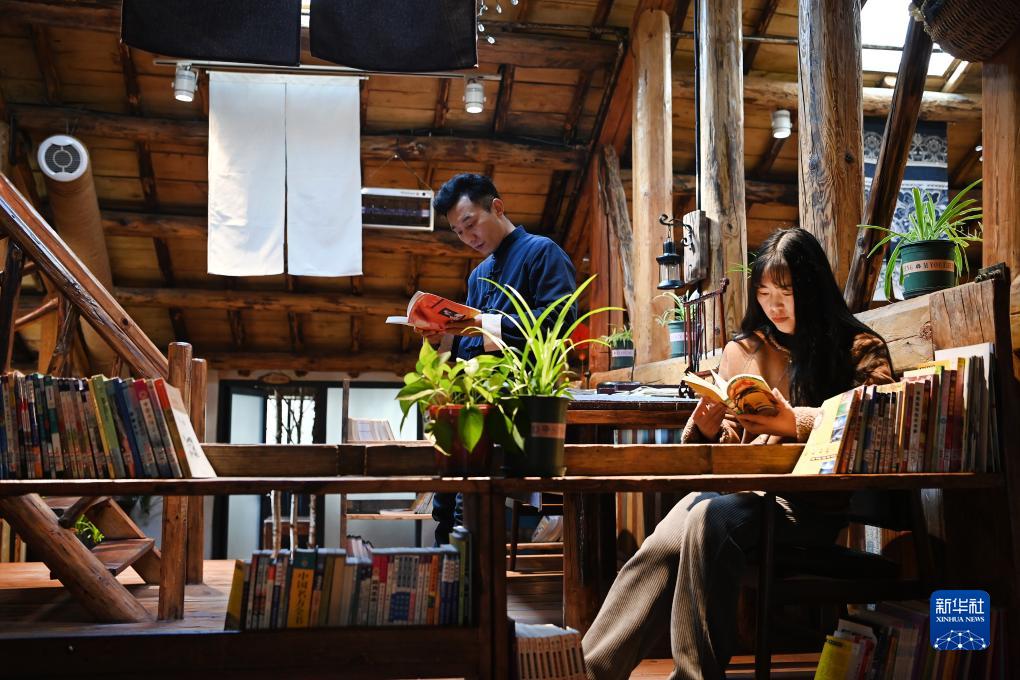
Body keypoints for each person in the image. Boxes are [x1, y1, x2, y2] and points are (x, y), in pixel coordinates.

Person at [582, 228, 895, 680]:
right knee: (669, 533)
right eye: (764, 293)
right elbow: (728, 443)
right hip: (744, 492)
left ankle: (694, 677)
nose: (774, 306)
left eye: (786, 292)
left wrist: (793, 422)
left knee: (709, 518)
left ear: (813, 287)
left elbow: (876, 420)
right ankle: (590, 671)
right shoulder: (746, 349)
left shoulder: (858, 348)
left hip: (809, 505)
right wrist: (707, 430)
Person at [426, 173, 577, 545]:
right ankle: (450, 573)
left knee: (465, 510)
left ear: (497, 207)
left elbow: (559, 322)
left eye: (470, 224)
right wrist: (443, 338)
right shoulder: (478, 276)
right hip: (473, 403)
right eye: (459, 232)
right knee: (444, 501)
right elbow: (469, 345)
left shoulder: (542, 252)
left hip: (519, 405)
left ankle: (468, 578)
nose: (468, 237)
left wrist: (482, 323)